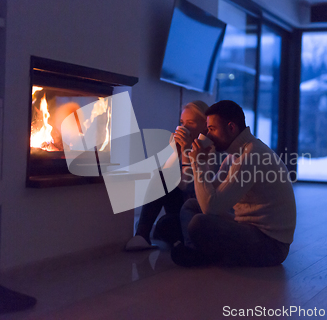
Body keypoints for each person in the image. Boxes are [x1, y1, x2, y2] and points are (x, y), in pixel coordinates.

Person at [171, 100, 296, 266]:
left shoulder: (252, 155)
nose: (208, 135)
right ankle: (195, 250)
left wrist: (197, 163)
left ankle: (198, 254)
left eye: (212, 129)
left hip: (271, 245)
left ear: (231, 128)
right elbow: (207, 195)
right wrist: (200, 160)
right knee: (191, 206)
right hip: (246, 227)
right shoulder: (235, 155)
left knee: (198, 223)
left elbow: (211, 207)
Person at [125, 100, 209, 251]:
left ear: (205, 125)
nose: (184, 127)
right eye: (182, 122)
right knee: (161, 175)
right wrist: (174, 151)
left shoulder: (211, 150)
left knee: (166, 224)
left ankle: (160, 232)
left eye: (190, 123)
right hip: (180, 206)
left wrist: (186, 151)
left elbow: (189, 188)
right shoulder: (184, 144)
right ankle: (142, 235)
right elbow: (164, 180)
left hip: (196, 212)